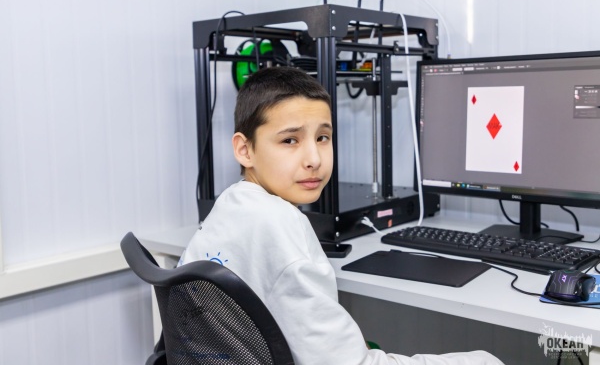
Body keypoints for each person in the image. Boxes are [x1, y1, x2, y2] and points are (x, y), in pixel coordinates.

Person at [179, 66, 504, 365]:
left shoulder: (230, 204)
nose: (314, 159)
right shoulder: (280, 223)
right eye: (290, 140)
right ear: (244, 149)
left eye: (323, 137)